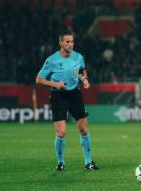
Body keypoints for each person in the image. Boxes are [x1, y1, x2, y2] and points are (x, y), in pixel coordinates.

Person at [36, 31, 99, 171]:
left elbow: (81, 71)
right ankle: (60, 163)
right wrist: (55, 85)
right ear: (61, 43)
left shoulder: (78, 57)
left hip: (75, 94)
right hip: (58, 95)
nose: (70, 44)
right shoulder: (52, 60)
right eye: (67, 42)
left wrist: (85, 80)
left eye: (72, 41)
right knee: (61, 133)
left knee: (83, 129)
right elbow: (39, 79)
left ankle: (89, 162)